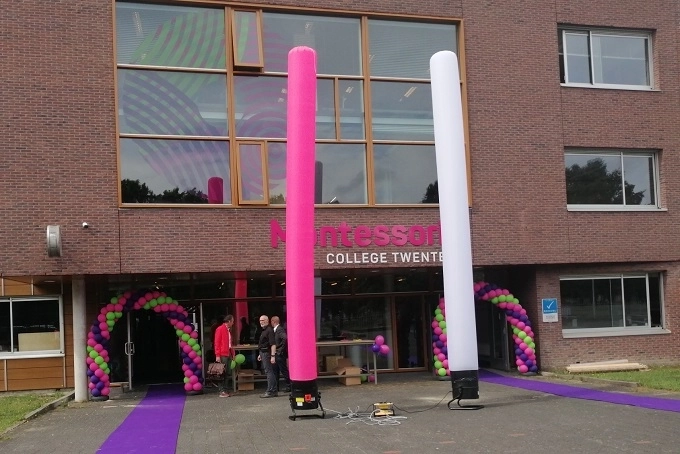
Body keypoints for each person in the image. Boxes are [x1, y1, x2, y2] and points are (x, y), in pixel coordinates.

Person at [214, 315, 235, 398]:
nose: (233, 323)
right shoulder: (220, 329)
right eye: (232, 321)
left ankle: (225, 390)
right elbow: (217, 343)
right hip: (223, 354)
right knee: (222, 372)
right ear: (229, 321)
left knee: (227, 372)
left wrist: (233, 353)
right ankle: (222, 390)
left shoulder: (228, 330)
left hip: (228, 353)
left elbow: (230, 343)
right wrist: (217, 355)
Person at [257, 315, 278, 398]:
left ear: (267, 320)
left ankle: (271, 390)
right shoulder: (264, 330)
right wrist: (260, 354)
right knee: (269, 371)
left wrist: (273, 356)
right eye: (260, 320)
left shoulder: (269, 330)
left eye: (262, 320)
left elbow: (273, 344)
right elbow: (263, 343)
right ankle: (273, 390)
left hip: (267, 353)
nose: (261, 322)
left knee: (269, 372)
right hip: (263, 352)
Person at [271, 316, 291, 393]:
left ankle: (289, 386)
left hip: (279, 354)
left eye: (271, 321)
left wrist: (280, 349)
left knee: (283, 370)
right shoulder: (276, 330)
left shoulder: (280, 329)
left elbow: (285, 338)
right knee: (275, 371)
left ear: (273, 321)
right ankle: (276, 387)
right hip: (276, 353)